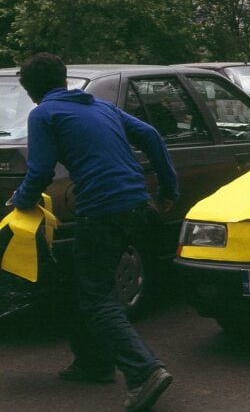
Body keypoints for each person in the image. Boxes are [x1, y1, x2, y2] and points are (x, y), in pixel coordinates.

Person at [10, 52, 178, 412]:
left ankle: (144, 371)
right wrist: (168, 189)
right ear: (64, 78)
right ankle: (94, 363)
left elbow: (39, 170)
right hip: (137, 207)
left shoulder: (44, 114)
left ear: (29, 89)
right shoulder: (100, 107)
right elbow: (150, 135)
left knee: (98, 297)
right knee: (82, 282)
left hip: (101, 211)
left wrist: (19, 201)